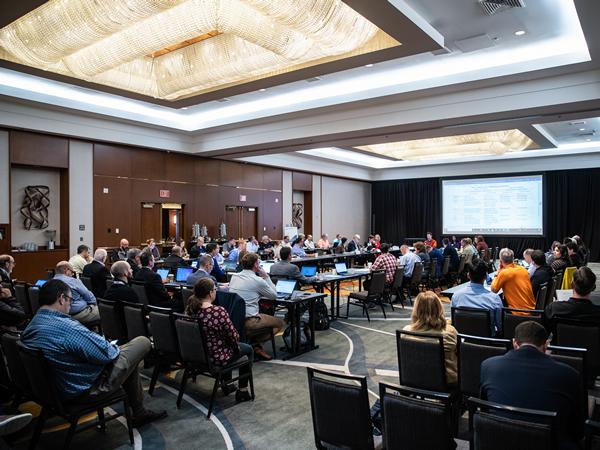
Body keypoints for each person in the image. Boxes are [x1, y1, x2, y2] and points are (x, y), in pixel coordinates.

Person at [21, 279, 166, 427]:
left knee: (129, 358)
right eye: (70, 300)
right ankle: (140, 412)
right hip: (86, 389)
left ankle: (140, 412)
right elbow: (107, 354)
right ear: (61, 298)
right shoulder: (67, 327)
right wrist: (109, 346)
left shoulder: (32, 324)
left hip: (52, 390)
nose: (70, 305)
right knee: (142, 342)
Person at [480, 321, 583, 447]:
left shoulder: (488, 366)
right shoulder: (569, 374)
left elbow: (484, 412)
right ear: (546, 345)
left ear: (514, 343)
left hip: (496, 442)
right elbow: (578, 429)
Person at [185, 278, 253, 402]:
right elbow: (234, 336)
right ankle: (242, 390)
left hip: (195, 356)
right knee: (248, 349)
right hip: (215, 358)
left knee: (226, 345)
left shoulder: (190, 309)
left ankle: (228, 384)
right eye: (215, 289)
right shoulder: (218, 311)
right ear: (211, 293)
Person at [229, 253, 283, 361]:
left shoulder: (234, 277)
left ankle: (254, 345)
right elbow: (274, 295)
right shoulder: (258, 280)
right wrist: (266, 276)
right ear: (256, 265)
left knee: (264, 312)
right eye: (259, 262)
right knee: (279, 323)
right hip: (250, 321)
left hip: (235, 319)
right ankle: (255, 344)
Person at [403, 292, 457, 386]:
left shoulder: (406, 331)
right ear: (439, 308)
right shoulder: (449, 332)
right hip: (445, 383)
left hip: (414, 379)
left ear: (416, 310)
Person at [451, 260, 503, 335]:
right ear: (486, 276)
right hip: (487, 341)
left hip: (464, 339)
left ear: (468, 275)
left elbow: (454, 322)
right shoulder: (494, 299)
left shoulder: (456, 296)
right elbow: (500, 326)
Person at [544, 266, 600, 333]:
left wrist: (556, 305)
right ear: (593, 287)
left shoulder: (554, 309)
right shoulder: (597, 313)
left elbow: (544, 332)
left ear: (572, 284)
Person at [53, 261, 99, 325]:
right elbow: (90, 297)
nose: (72, 274)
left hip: (58, 315)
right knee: (105, 311)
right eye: (72, 272)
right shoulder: (72, 281)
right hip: (77, 314)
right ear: (66, 270)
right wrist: (94, 305)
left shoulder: (51, 282)